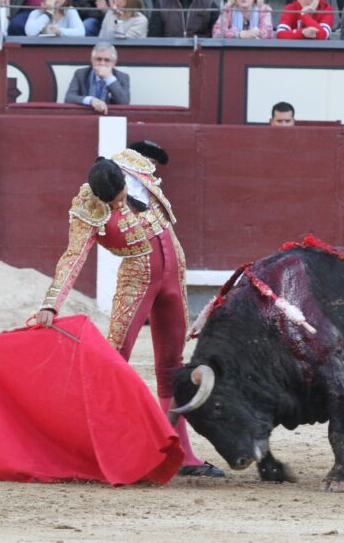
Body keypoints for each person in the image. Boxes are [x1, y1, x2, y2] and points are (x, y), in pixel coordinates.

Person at [36, 144, 225, 478]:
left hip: (174, 272)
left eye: (119, 197)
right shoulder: (86, 204)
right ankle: (101, 448)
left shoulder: (135, 167)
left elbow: (153, 158)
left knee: (172, 366)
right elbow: (74, 256)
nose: (118, 205)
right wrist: (51, 302)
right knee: (113, 361)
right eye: (111, 204)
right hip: (137, 282)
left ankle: (180, 453)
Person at [65, 42, 130, 114]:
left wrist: (109, 78)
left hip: (110, 118)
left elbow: (124, 102)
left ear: (114, 63)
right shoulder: (81, 74)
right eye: (99, 59)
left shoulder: (122, 77)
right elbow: (69, 98)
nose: (102, 63)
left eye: (107, 60)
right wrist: (91, 100)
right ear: (92, 60)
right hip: (85, 117)